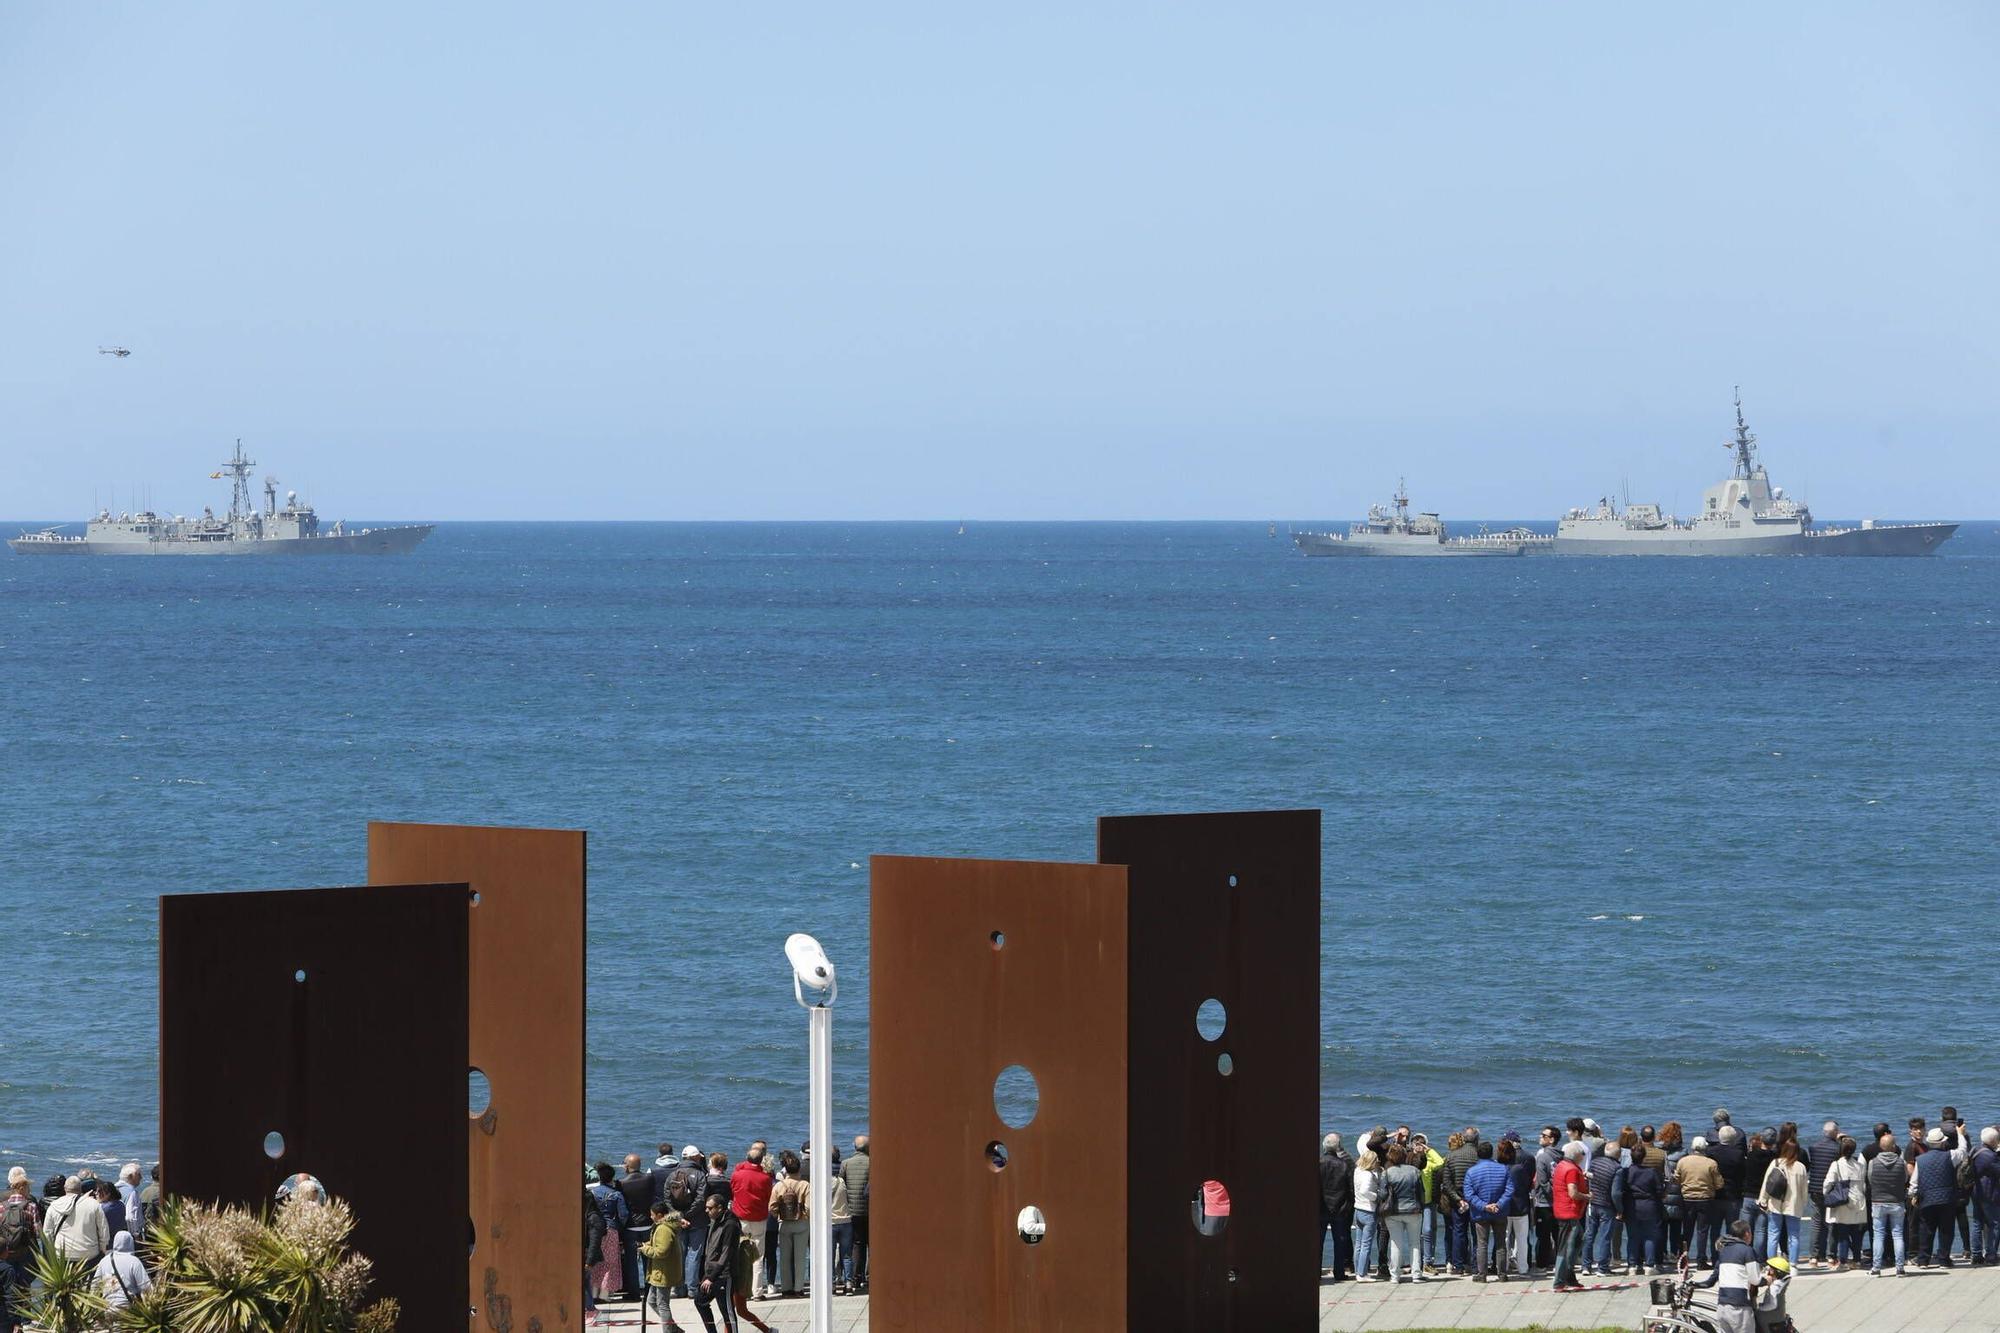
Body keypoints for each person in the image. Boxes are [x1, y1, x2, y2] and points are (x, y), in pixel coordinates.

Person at [1693, 1219, 1762, 1333]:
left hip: (1722, 1307)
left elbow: (1712, 1278)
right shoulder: (1747, 1251)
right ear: (1747, 1234)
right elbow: (1755, 1279)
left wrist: (1697, 1284)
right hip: (1739, 1307)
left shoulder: (1723, 1251)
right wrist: (1768, 1280)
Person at [1461, 1140, 1514, 1282]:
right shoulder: (1503, 1169)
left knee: (1482, 1244)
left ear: (1478, 1154)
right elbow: (1509, 1190)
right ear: (1492, 1153)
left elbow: (1469, 1194)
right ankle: (1502, 1274)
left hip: (1481, 1213)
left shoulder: (1471, 1172)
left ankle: (1482, 1274)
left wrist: (1484, 1206)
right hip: (1499, 1211)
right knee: (1501, 1243)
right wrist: (1498, 1204)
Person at [728, 1143, 775, 1298]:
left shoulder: (737, 1175)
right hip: (759, 1218)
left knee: (741, 1254)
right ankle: (757, 1291)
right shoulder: (765, 1178)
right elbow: (768, 1196)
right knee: (758, 1256)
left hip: (741, 1218)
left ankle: (741, 1289)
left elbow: (733, 1192)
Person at [638, 1199, 689, 1332]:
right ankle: (675, 1329)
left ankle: (670, 1330)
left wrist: (645, 1250)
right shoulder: (663, 1226)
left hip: (663, 1273)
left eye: (652, 1214)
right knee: (652, 1301)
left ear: (659, 1215)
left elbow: (661, 1252)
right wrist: (646, 1244)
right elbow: (658, 1244)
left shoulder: (663, 1229)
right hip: (659, 1272)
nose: (650, 1216)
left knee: (662, 1305)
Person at [667, 1146, 710, 1299]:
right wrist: (689, 1215)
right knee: (694, 1255)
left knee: (680, 1254)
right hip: (697, 1221)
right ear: (695, 1158)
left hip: (678, 1222)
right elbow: (701, 1198)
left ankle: (678, 1288)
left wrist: (679, 1217)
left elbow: (667, 1198)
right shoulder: (700, 1174)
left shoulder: (672, 1174)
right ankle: (692, 1289)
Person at [694, 1193, 741, 1333]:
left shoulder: (730, 1224)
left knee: (727, 1312)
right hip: (711, 1273)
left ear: (719, 1208)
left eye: (709, 1208)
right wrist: (705, 1276)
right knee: (700, 1301)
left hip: (724, 1275)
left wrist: (711, 1277)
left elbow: (726, 1254)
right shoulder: (715, 1221)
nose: (706, 1211)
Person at [1, 1171, 40, 1333]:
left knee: (9, 1286)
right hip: (25, 1252)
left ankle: (10, 1320)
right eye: (28, 1186)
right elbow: (38, 1232)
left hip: (6, 1253)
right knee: (24, 1285)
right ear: (23, 1188)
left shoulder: (2, 1206)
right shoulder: (30, 1206)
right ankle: (25, 1319)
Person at [1914, 1126, 1959, 1267]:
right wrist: (1960, 1134)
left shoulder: (1920, 1159)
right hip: (1947, 1198)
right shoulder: (1950, 1155)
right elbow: (1963, 1151)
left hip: (1927, 1198)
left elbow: (1914, 1181)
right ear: (1942, 1142)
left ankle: (1923, 1260)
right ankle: (1944, 1259)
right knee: (1946, 1230)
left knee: (1926, 1230)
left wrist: (1912, 1195)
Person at [1761, 1137, 1810, 1267]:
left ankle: (1771, 1264)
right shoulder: (1801, 1167)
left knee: (1773, 1235)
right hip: (1794, 1205)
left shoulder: (1776, 1163)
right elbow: (1804, 1189)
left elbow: (1767, 1183)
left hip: (1775, 1203)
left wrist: (1763, 1200)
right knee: (1793, 1236)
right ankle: (1793, 1264)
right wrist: (1803, 1203)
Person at [1677, 1137, 1726, 1266]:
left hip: (1687, 1199)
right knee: (1702, 1231)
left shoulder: (1683, 1161)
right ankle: (1701, 1260)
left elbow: (1677, 1179)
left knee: (1687, 1230)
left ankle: (1683, 1259)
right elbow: (1719, 1184)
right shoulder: (1711, 1163)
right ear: (1705, 1148)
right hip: (1705, 1199)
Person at [1867, 1130, 1910, 1276]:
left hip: (1878, 1201)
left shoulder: (1873, 1162)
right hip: (1897, 1201)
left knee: (1878, 1235)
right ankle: (1900, 1268)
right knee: (1897, 1235)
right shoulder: (1901, 1162)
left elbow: (1870, 1179)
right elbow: (1905, 1179)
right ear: (1893, 1147)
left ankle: (1876, 1268)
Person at [1380, 1144, 1425, 1282]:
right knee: (1415, 1243)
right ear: (1404, 1156)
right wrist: (1420, 1206)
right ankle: (1416, 1274)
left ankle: (1395, 1275)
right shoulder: (1414, 1171)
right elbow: (1421, 1192)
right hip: (1413, 1210)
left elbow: (1382, 1194)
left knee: (1395, 1243)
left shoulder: (1387, 1173)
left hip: (1393, 1212)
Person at [1821, 1135, 1868, 1270]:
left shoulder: (1836, 1164)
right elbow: (1864, 1185)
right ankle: (1857, 1261)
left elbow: (1828, 1183)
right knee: (1856, 1234)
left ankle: (1843, 1261)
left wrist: (1827, 1194)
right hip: (1859, 1201)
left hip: (1844, 1202)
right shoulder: (1859, 1165)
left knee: (1843, 1234)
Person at [618, 1153, 660, 1299]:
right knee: (649, 1260)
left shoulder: (621, 1183)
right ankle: (650, 1291)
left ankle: (634, 1293)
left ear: (627, 1166)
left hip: (631, 1226)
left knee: (631, 1261)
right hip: (648, 1224)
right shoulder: (649, 1179)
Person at [43, 1175, 109, 1267]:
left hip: (62, 1255)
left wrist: (51, 1255)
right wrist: (102, 1249)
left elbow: (47, 1233)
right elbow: (103, 1230)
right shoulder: (93, 1204)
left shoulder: (54, 1206)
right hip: (89, 1255)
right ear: (80, 1188)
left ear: (65, 1188)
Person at [769, 1150, 810, 1297]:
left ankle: (786, 1289)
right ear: (799, 1169)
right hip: (801, 1223)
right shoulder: (805, 1185)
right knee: (800, 1257)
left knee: (785, 1258)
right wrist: (804, 1216)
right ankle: (798, 1288)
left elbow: (771, 1207)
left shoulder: (779, 1186)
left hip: (784, 1224)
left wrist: (779, 1215)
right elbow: (809, 1207)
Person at [1624, 1139, 1667, 1275]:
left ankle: (1632, 1265)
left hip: (1632, 1205)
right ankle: (1649, 1264)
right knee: (1650, 1236)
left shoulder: (1626, 1172)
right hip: (1649, 1205)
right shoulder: (1652, 1172)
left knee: (1633, 1236)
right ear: (1644, 1157)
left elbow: (1622, 1190)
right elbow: (1659, 1191)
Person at [1804, 1120, 1842, 1268]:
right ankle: (1831, 1256)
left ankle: (1814, 1257)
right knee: (1831, 1222)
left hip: (1815, 1188)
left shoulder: (1813, 1147)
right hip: (1831, 1190)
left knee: (1816, 1222)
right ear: (1835, 1133)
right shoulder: (1837, 1148)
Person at [587, 1163, 628, 1303]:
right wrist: (620, 1227)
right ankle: (604, 1295)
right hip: (610, 1229)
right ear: (612, 1178)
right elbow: (623, 1215)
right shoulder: (616, 1194)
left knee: (595, 1261)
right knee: (609, 1263)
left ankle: (592, 1293)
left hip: (594, 1230)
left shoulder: (592, 1192)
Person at [1551, 1141, 1588, 1291]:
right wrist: (1587, 1196)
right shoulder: (1572, 1170)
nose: (1583, 1158)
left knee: (1576, 1242)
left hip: (1561, 1209)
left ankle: (1570, 1277)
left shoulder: (1561, 1165)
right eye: (1581, 1155)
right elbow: (1572, 1192)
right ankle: (1559, 1281)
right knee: (1567, 1247)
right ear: (1576, 1155)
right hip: (1569, 1212)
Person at [1583, 1132, 1621, 1275]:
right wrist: (1619, 1208)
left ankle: (1586, 1266)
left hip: (1593, 1203)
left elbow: (1589, 1180)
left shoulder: (1595, 1162)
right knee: (1605, 1237)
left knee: (1590, 1234)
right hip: (1607, 1206)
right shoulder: (1617, 1169)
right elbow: (1615, 1193)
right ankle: (1602, 1267)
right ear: (1618, 1155)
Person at [1442, 1129, 1479, 1275]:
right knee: (1477, 1234)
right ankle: (1476, 1265)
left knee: (1459, 1232)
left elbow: (1446, 1182)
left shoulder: (1451, 1156)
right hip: (1476, 1200)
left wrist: (1457, 1200)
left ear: (1464, 1139)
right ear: (1476, 1139)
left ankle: (1458, 1265)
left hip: (1458, 1200)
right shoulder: (1479, 1156)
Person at [1318, 1133, 1353, 1281]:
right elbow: (1350, 1189)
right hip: (1339, 1208)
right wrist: (1348, 1206)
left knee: (1318, 1242)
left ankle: (1316, 1271)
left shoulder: (1318, 1163)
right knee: (1339, 1242)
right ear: (1338, 1147)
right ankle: (1339, 1272)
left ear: (1324, 1146)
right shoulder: (1344, 1165)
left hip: (1320, 1208)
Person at [837, 1136, 870, 1293]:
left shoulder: (846, 1163)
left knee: (857, 1244)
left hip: (853, 1210)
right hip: (870, 1211)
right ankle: (871, 1277)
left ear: (854, 1147)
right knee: (873, 1244)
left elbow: (841, 1185)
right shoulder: (873, 1162)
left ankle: (856, 1278)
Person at [1502, 1135, 1536, 1278]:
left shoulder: (1501, 1168)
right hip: (1521, 1206)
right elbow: (1529, 1184)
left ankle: (1503, 1266)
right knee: (1522, 1239)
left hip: (1505, 1207)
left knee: (1504, 1238)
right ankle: (1523, 1268)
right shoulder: (1521, 1168)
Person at [94, 1230, 151, 1312]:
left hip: (108, 1308)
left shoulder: (104, 1261)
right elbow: (146, 1287)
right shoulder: (134, 1261)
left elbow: (95, 1286)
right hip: (127, 1311)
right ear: (130, 1243)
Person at [1351, 1146, 1383, 1282]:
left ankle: (1358, 1270)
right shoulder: (1368, 1175)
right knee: (1366, 1244)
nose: (1377, 1162)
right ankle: (1362, 1273)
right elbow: (1365, 1190)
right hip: (1368, 1210)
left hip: (1358, 1209)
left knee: (1358, 1243)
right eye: (1376, 1160)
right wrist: (1375, 1196)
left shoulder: (1357, 1170)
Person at [1531, 1126, 1560, 1270]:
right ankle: (1560, 1262)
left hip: (1544, 1203)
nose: (1540, 1137)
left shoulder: (1542, 1157)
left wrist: (1552, 1194)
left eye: (1543, 1135)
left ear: (1551, 1139)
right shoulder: (1561, 1155)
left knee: (1543, 1236)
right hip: (1559, 1202)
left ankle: (1542, 1264)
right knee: (1558, 1234)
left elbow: (1542, 1182)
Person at [827, 1165, 854, 1295]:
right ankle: (848, 1283)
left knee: (830, 1255)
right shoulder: (842, 1182)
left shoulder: (824, 1183)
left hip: (831, 1222)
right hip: (846, 1221)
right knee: (847, 1255)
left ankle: (832, 1284)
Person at [583, 1186, 605, 1327]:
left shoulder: (593, 1218)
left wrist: (589, 1261)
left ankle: (590, 1310)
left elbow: (595, 1241)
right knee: (585, 1283)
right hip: (586, 1255)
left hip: (588, 1256)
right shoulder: (590, 1216)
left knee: (583, 1283)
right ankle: (590, 1309)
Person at [1754, 1254, 1792, 1333]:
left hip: (1769, 1318)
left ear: (1776, 1272)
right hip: (1778, 1316)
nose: (1768, 1271)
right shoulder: (1780, 1283)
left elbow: (1772, 1304)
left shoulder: (1775, 1287)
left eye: (1770, 1269)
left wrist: (1759, 1309)